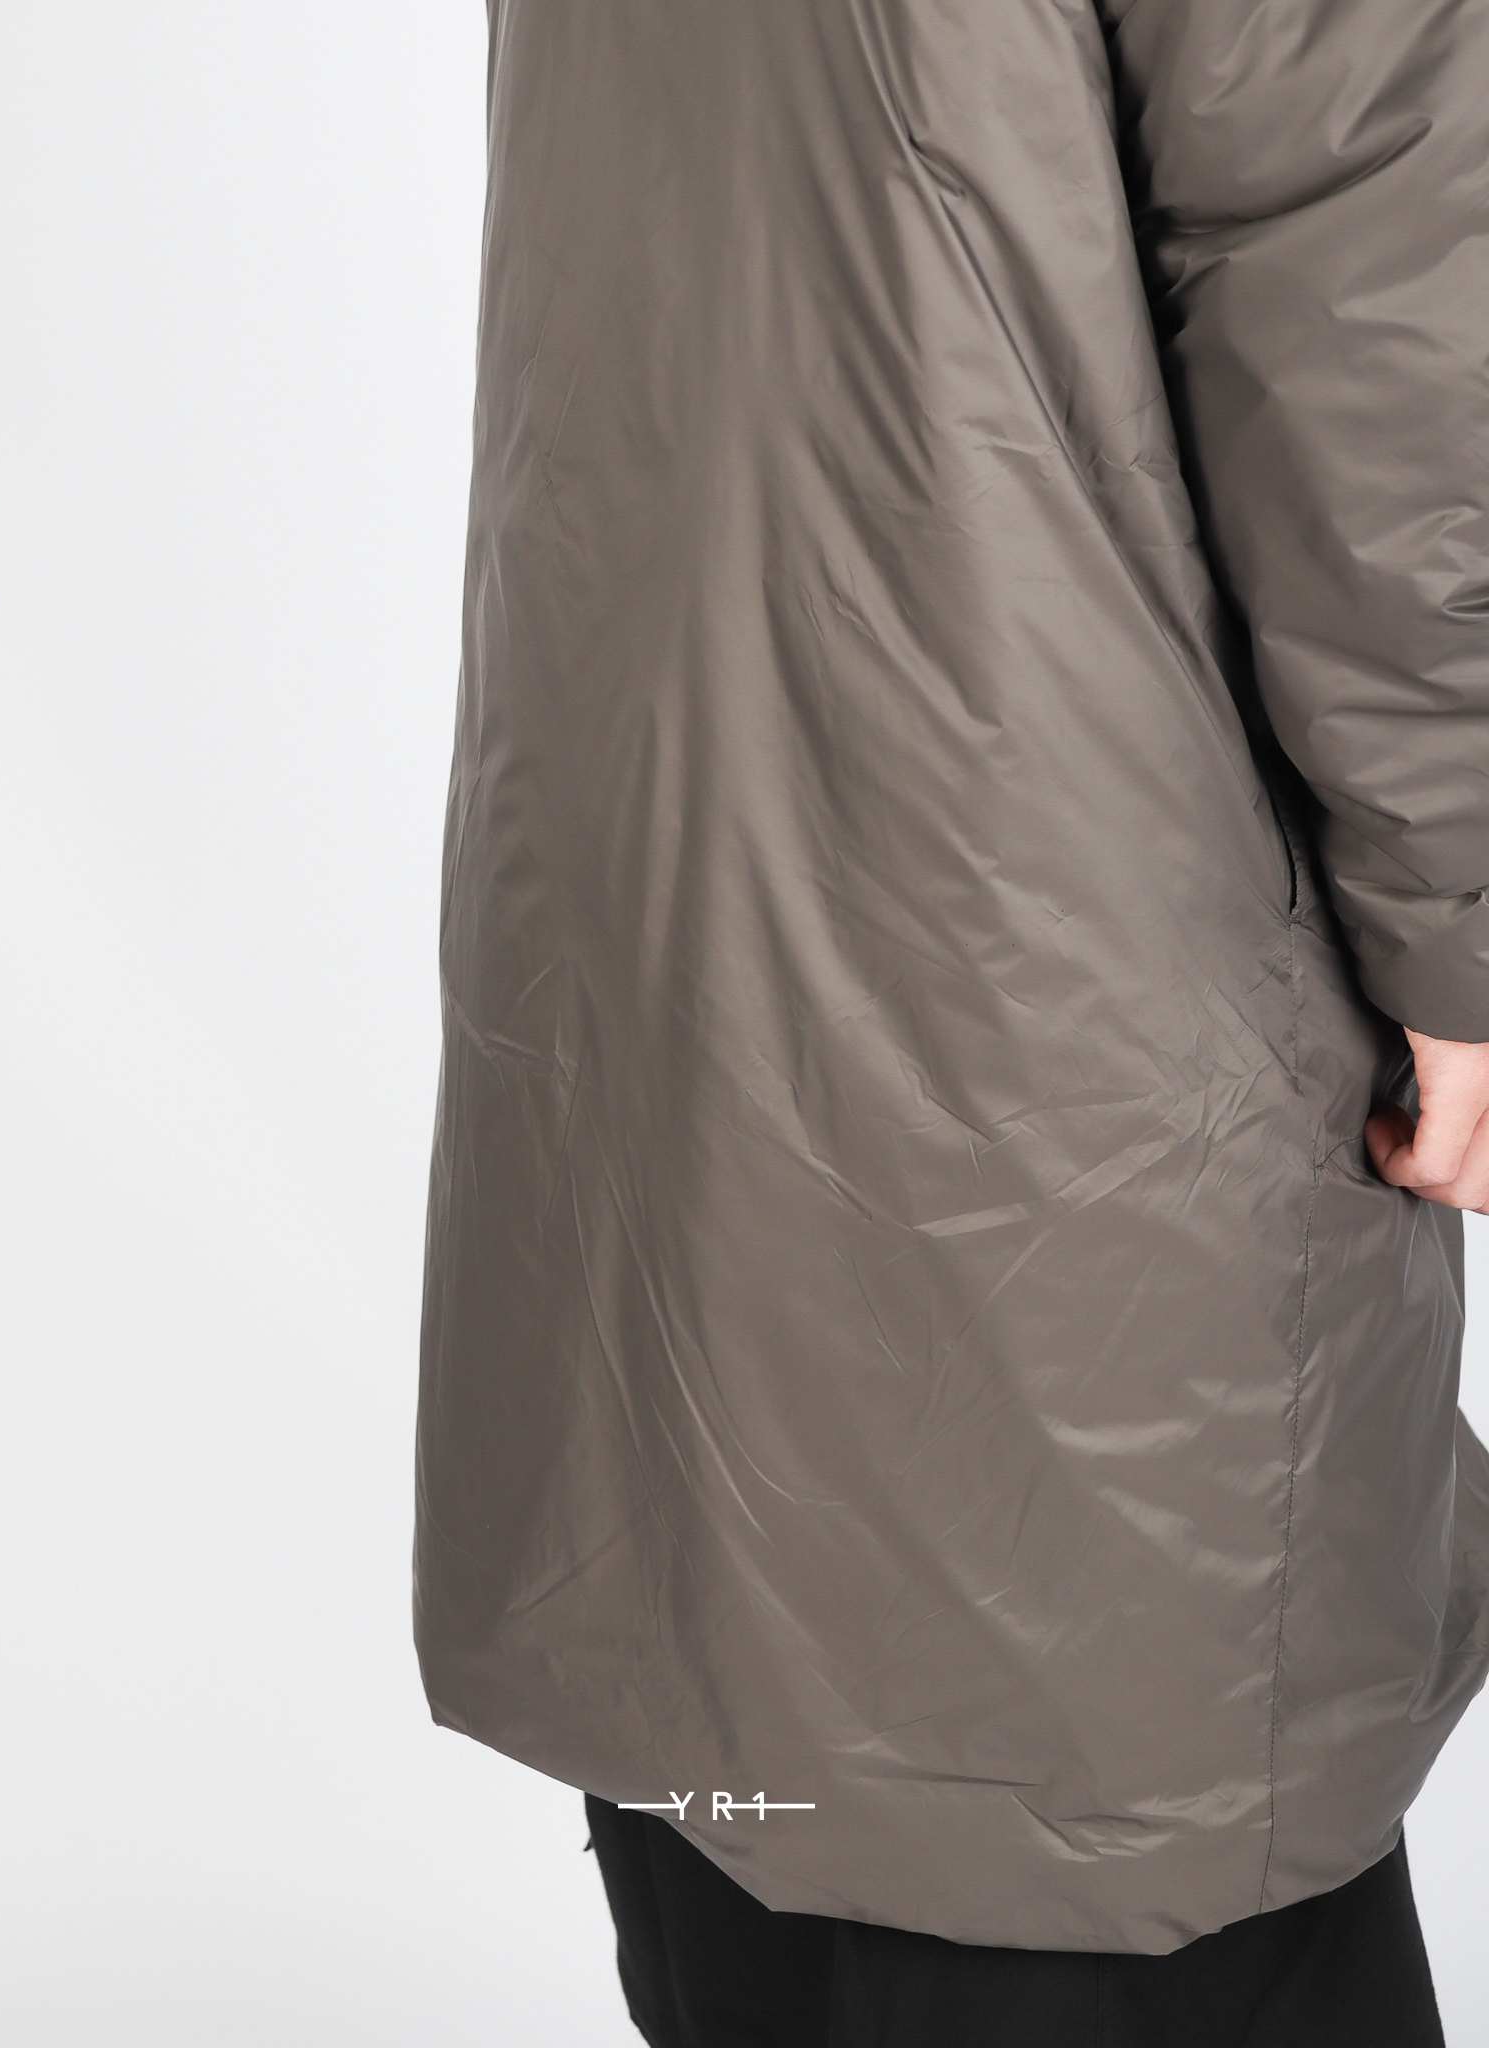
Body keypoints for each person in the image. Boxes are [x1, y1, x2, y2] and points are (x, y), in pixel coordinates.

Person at [413, 1, 1489, 2039]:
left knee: (765, 1784)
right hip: (1045, 978)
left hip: (660, 914)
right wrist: (1465, 908)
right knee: (1088, 1791)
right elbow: (1371, 295)